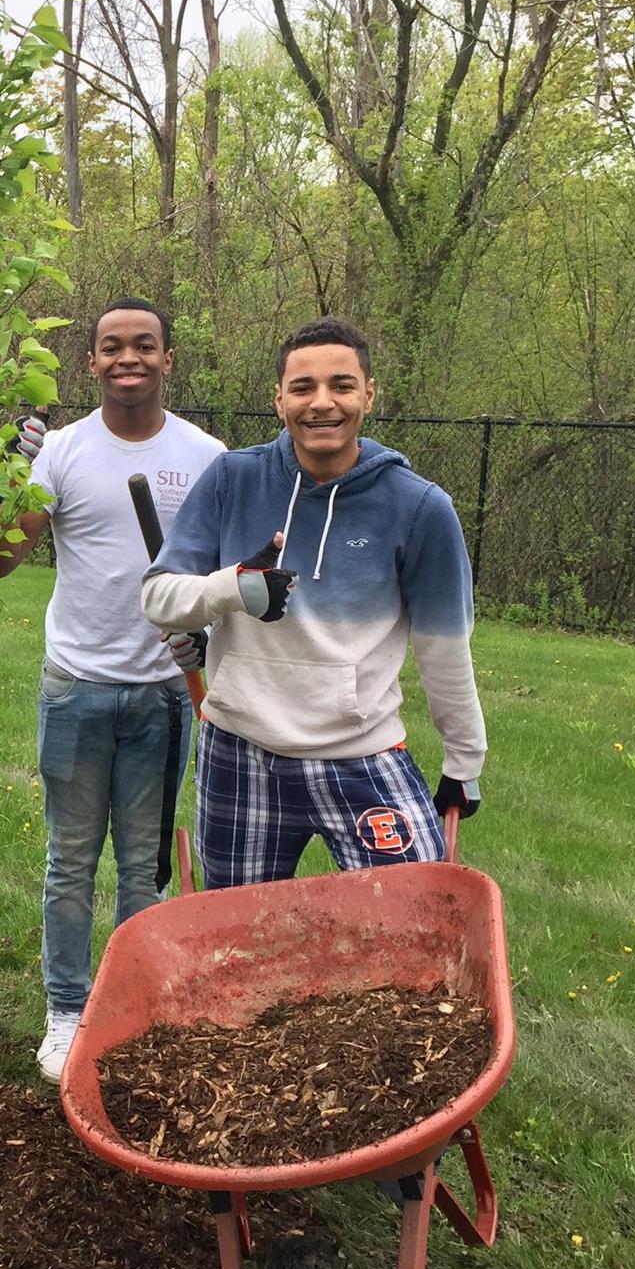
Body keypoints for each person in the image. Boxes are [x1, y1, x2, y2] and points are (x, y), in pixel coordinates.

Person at [140, 314, 486, 890]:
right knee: (236, 943)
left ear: (369, 395)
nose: (321, 403)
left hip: (362, 755)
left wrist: (463, 760)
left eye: (341, 385)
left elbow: (444, 649)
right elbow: (159, 596)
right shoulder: (231, 480)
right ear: (279, 400)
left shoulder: (421, 508)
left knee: (412, 922)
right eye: (302, 388)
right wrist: (233, 588)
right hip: (239, 752)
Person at [0, 297, 226, 1083]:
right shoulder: (58, 453)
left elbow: (224, 576)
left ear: (168, 358)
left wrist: (209, 633)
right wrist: (7, 469)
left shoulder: (205, 456)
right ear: (90, 363)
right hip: (77, 690)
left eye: (145, 345)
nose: (129, 358)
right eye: (112, 347)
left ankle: (128, 1008)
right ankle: (65, 1012)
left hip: (164, 692)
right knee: (70, 860)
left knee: (144, 868)